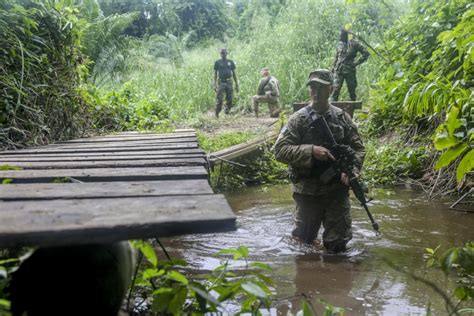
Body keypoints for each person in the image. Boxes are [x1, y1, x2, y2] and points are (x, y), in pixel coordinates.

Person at [274, 69, 365, 253]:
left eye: (321, 87)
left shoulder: (342, 118)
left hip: (336, 191)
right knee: (302, 244)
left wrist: (352, 169)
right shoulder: (298, 119)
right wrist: (311, 151)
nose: (316, 91)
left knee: (338, 246)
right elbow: (279, 150)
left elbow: (358, 148)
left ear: (330, 89)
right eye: (313, 87)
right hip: (308, 192)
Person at [331, 29, 369, 101]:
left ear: (346, 35)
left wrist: (356, 63)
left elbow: (366, 53)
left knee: (352, 90)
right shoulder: (340, 44)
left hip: (350, 70)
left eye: (341, 35)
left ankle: (353, 107)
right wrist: (333, 68)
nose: (340, 37)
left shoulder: (355, 44)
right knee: (335, 89)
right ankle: (332, 109)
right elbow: (337, 57)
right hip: (339, 70)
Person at [213, 48, 239, 118]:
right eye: (222, 53)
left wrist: (236, 84)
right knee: (219, 99)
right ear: (220, 54)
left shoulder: (230, 62)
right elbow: (215, 74)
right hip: (221, 82)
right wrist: (214, 84)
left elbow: (234, 73)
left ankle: (226, 112)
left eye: (224, 53)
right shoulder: (217, 62)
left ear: (226, 53)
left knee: (230, 99)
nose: (223, 54)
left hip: (229, 82)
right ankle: (217, 114)